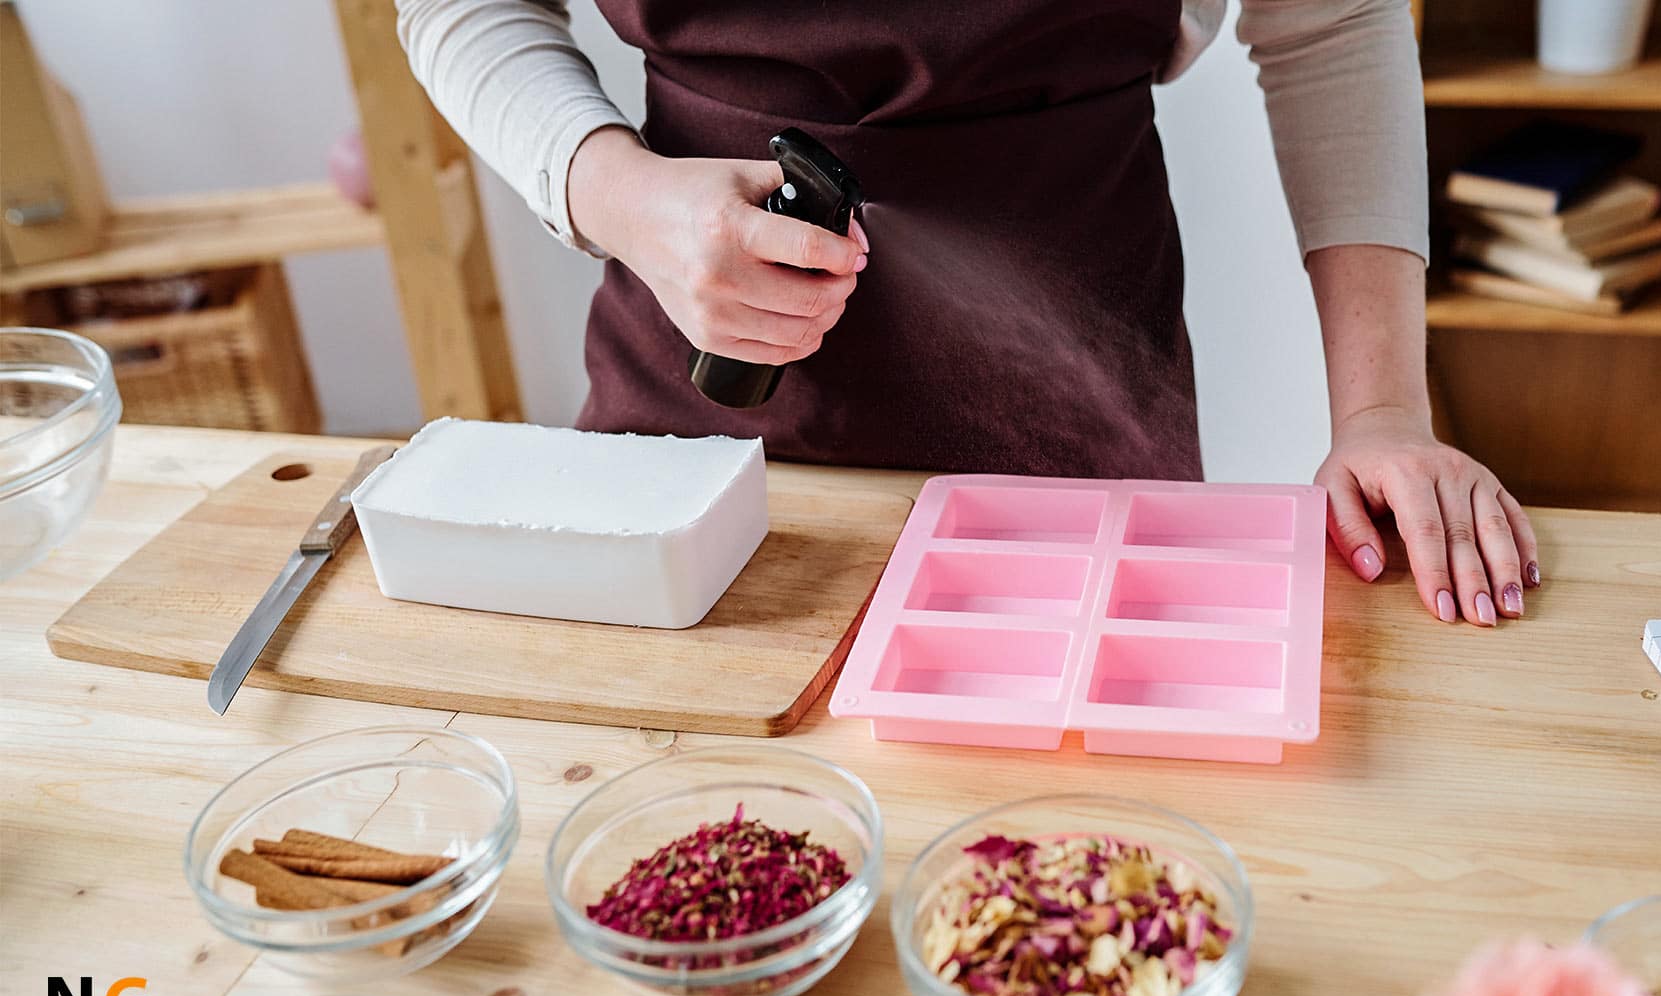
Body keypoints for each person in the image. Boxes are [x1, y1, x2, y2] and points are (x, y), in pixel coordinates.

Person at [395, 0, 1541, 627]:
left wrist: (1385, 409)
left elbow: (1333, 24)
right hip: (696, 407)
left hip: (1084, 410)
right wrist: (622, 196)